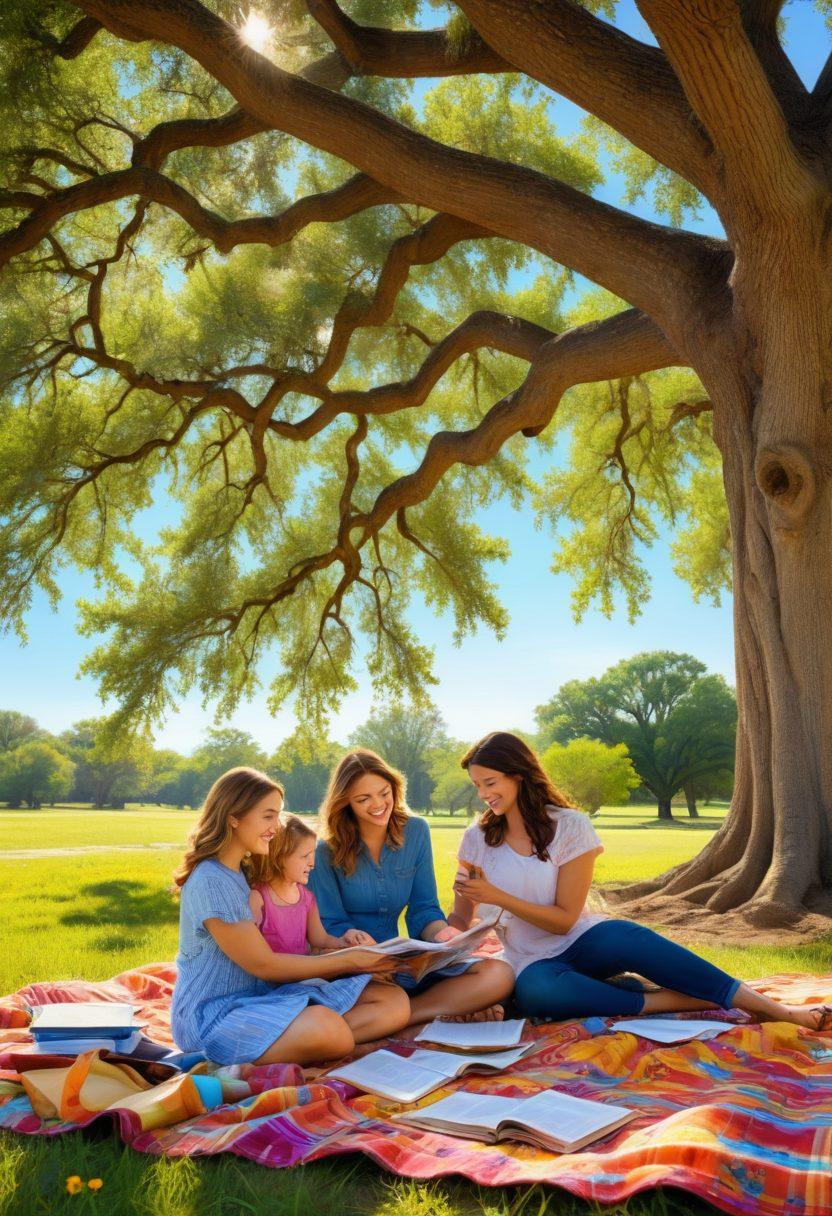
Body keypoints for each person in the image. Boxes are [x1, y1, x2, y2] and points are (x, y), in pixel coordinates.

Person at [451, 732, 832, 1030]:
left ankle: (775, 1009)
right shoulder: (477, 838)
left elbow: (565, 919)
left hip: (582, 941)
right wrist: (439, 941)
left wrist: (497, 895)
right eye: (477, 786)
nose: (484, 795)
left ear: (518, 774)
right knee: (539, 993)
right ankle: (677, 999)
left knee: (626, 936)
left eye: (490, 782)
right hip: (528, 961)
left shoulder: (570, 826)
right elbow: (461, 919)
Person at [170, 766, 409, 1067]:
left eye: (278, 816)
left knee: (392, 1001)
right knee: (328, 1028)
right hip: (215, 1016)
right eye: (268, 816)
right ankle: (293, 1044)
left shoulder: (243, 872)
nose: (276, 826)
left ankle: (303, 1042)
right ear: (233, 817)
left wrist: (348, 951)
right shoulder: (211, 880)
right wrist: (352, 960)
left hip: (264, 999)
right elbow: (264, 964)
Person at [310, 749, 515, 1027]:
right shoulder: (325, 851)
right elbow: (329, 924)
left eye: (384, 793)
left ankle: (409, 1017)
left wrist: (443, 935)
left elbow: (424, 908)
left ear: (394, 787)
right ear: (345, 802)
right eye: (363, 799)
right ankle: (435, 1011)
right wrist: (354, 940)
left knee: (498, 974)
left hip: (404, 966)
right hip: (356, 969)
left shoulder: (416, 831)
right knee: (388, 998)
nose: (378, 804)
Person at [248, 812, 374, 953]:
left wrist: (346, 944)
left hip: (305, 973)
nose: (312, 864)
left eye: (313, 854)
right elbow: (252, 950)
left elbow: (320, 939)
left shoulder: (307, 898)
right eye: (304, 856)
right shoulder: (258, 898)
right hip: (274, 972)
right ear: (279, 857)